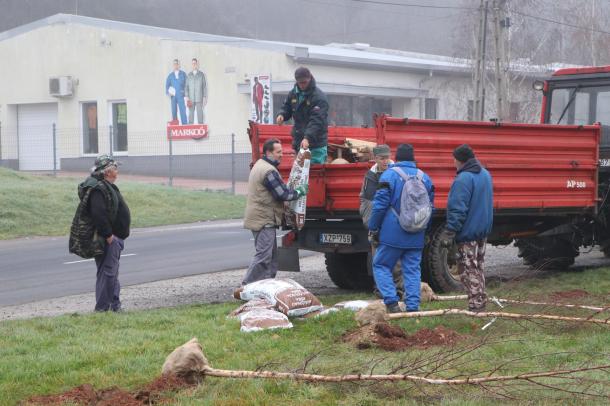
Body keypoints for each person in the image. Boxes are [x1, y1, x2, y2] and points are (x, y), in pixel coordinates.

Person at [368, 144, 434, 313]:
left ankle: (391, 302)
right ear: (413, 159)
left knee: (381, 265)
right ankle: (413, 307)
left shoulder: (389, 176)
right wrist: (424, 229)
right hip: (416, 233)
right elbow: (430, 207)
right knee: (412, 270)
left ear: (396, 158)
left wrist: (373, 227)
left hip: (393, 233)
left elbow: (379, 206)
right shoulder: (424, 177)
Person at [242, 138, 308, 285]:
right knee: (264, 256)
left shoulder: (260, 165)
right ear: (268, 152)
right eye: (278, 152)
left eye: (282, 152)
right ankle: (246, 287)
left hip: (262, 218)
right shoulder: (268, 171)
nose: (281, 155)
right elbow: (282, 194)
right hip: (263, 220)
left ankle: (265, 287)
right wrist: (299, 191)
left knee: (271, 257)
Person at [439, 144, 493, 312]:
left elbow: (458, 208)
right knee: (478, 267)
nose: (453, 162)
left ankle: (476, 306)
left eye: (454, 159)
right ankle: (480, 300)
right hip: (482, 231)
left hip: (468, 232)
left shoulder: (463, 179)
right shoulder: (485, 174)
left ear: (460, 160)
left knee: (468, 269)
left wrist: (449, 232)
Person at [86, 155, 131, 312]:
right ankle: (103, 309)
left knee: (111, 274)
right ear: (107, 172)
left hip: (114, 238)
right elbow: (99, 215)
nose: (117, 171)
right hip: (109, 240)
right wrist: (109, 236)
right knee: (108, 274)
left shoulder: (106, 187)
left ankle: (114, 306)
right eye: (115, 168)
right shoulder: (99, 189)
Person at [359, 144, 404, 300]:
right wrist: (372, 224)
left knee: (397, 260)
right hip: (377, 223)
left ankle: (399, 290)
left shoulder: (396, 173)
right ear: (375, 159)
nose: (385, 161)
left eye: (387, 157)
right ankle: (381, 292)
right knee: (378, 259)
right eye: (382, 158)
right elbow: (366, 202)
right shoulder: (370, 177)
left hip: (394, 223)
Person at [276, 67, 328, 164]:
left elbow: (316, 121)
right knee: (299, 174)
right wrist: (282, 114)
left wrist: (307, 138)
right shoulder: (294, 93)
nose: (302, 85)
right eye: (300, 82)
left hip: (316, 144)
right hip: (299, 142)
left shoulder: (319, 97)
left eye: (304, 82)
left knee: (314, 175)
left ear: (310, 78)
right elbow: (287, 106)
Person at [185, 58, 208, 124]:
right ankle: (190, 128)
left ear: (197, 64)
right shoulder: (189, 75)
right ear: (191, 65)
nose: (194, 65)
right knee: (191, 115)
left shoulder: (201, 75)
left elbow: (204, 87)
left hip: (199, 98)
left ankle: (201, 128)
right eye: (193, 63)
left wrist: (204, 97)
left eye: (195, 63)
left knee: (200, 114)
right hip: (191, 99)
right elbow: (186, 87)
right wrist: (187, 97)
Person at [165, 59, 188, 125]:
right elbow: (167, 86)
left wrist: (185, 93)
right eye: (174, 64)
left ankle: (185, 126)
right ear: (173, 65)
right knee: (174, 111)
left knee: (182, 111)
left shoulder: (183, 74)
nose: (176, 65)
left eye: (177, 64)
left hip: (181, 95)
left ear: (179, 65)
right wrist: (169, 93)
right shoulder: (170, 76)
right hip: (173, 97)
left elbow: (187, 84)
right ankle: (175, 126)